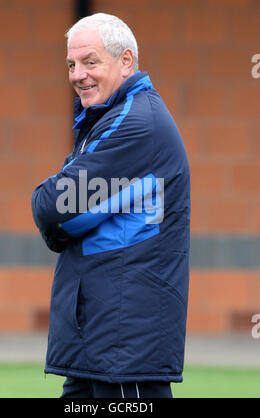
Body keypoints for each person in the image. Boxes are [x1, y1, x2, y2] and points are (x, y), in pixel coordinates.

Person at [31, 13, 190, 398]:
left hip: (124, 355)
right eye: (71, 64)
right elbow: (70, 206)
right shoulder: (106, 119)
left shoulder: (136, 123)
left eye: (90, 61)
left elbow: (53, 207)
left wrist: (57, 215)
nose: (77, 74)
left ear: (126, 61)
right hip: (98, 347)